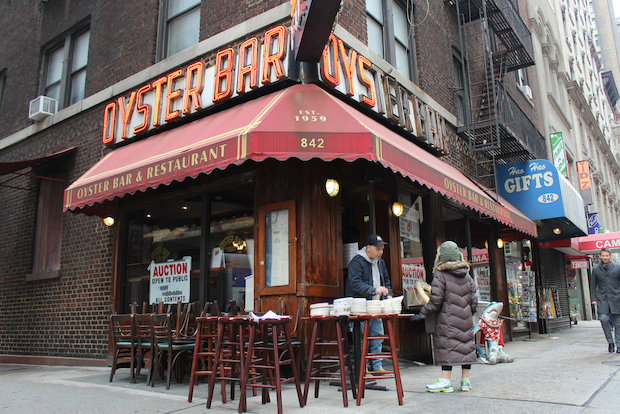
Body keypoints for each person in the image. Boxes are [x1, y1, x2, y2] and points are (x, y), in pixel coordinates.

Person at [410, 241, 477, 392]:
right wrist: (468, 314)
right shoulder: (467, 276)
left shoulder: (440, 275)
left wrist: (422, 313)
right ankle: (465, 381)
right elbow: (474, 300)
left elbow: (435, 301)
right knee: (465, 347)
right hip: (465, 320)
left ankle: (446, 381)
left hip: (448, 321)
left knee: (448, 347)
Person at [346, 234, 393, 373]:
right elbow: (355, 283)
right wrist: (373, 290)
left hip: (376, 305)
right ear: (368, 248)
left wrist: (388, 294)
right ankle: (362, 369)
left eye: (382, 249)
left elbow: (386, 281)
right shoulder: (356, 261)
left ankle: (377, 366)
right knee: (361, 338)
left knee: (377, 335)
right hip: (359, 306)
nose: (380, 252)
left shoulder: (381, 262)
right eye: (378, 249)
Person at [590, 248, 620, 353]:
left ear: (610, 256)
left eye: (607, 255)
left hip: (616, 299)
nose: (605, 257)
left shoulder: (617, 268)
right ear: (600, 256)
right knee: (603, 319)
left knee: (618, 324)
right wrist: (593, 299)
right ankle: (610, 342)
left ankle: (619, 345)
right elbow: (593, 285)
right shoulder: (596, 269)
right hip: (602, 299)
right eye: (603, 255)